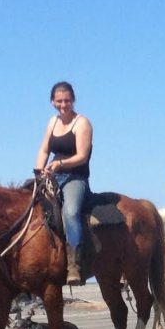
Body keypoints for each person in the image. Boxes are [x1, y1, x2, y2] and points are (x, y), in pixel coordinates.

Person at [35, 81, 93, 285]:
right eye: (59, 101)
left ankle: (74, 265)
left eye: (67, 100)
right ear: (52, 102)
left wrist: (60, 164)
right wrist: (39, 172)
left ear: (73, 100)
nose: (63, 104)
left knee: (70, 212)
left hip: (75, 177)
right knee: (27, 206)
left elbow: (82, 156)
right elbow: (44, 150)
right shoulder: (52, 122)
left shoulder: (82, 123)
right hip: (52, 175)